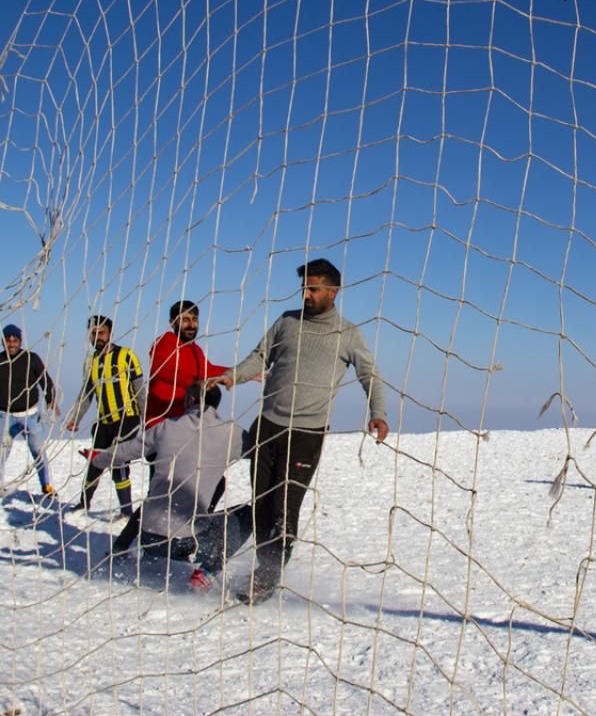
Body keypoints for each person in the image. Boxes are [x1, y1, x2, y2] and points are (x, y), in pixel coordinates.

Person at [212, 258, 389, 603]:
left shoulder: (348, 334)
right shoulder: (286, 321)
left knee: (284, 508)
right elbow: (259, 357)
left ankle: (266, 578)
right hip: (267, 426)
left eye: (314, 288)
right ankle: (262, 565)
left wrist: (377, 413)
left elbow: (370, 375)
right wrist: (232, 375)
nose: (306, 294)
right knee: (261, 505)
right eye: (304, 287)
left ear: (333, 292)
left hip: (306, 436)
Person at [93, 384, 254, 590]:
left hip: (149, 537)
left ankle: (120, 548)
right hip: (187, 544)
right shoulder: (230, 433)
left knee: (158, 496)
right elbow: (261, 447)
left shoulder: (165, 427)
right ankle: (205, 573)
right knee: (248, 514)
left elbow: (125, 451)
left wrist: (97, 459)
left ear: (191, 400)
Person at [0, 324, 60, 500]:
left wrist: (51, 400)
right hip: (5, 416)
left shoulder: (31, 358)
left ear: (20, 341)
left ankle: (47, 485)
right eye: (8, 340)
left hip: (30, 416)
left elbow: (44, 380)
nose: (11, 343)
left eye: (15, 340)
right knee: (0, 453)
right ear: (3, 342)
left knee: (38, 451)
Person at [65, 315, 145, 517]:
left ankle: (126, 511)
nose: (97, 336)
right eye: (93, 333)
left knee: (118, 461)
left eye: (101, 332)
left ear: (110, 333)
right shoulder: (90, 362)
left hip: (128, 418)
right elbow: (86, 393)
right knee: (95, 461)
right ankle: (83, 504)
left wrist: (148, 418)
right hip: (104, 420)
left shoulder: (126, 356)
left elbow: (140, 390)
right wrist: (76, 417)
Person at [143, 300, 228, 428]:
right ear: (172, 322)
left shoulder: (195, 349)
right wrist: (195, 385)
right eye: (185, 320)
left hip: (184, 424)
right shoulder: (165, 341)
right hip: (160, 425)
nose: (191, 325)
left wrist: (242, 372)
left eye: (194, 319)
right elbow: (160, 367)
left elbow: (207, 370)